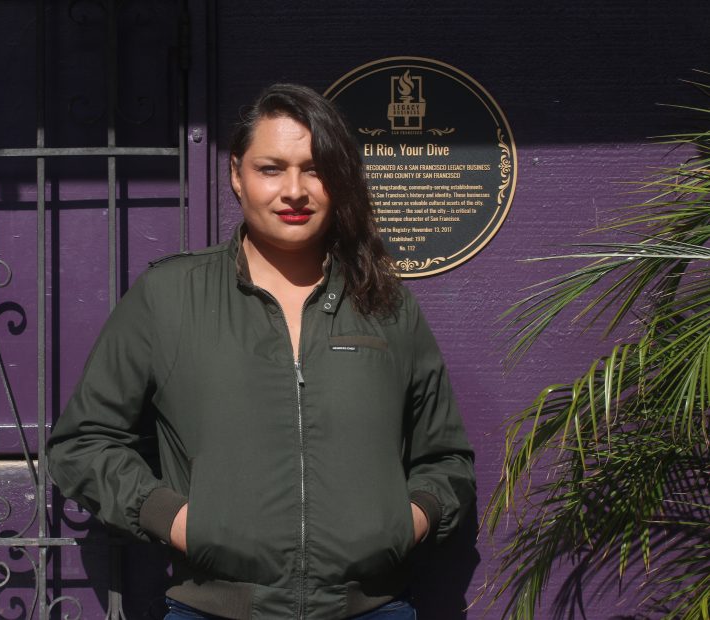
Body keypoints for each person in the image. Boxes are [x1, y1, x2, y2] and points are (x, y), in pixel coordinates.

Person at [47, 83, 475, 619]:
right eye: (271, 168)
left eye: (314, 169)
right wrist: (181, 522)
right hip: (212, 609)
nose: (294, 190)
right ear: (236, 174)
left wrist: (403, 522)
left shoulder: (385, 304)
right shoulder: (169, 297)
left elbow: (446, 458)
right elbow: (83, 443)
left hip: (372, 608)